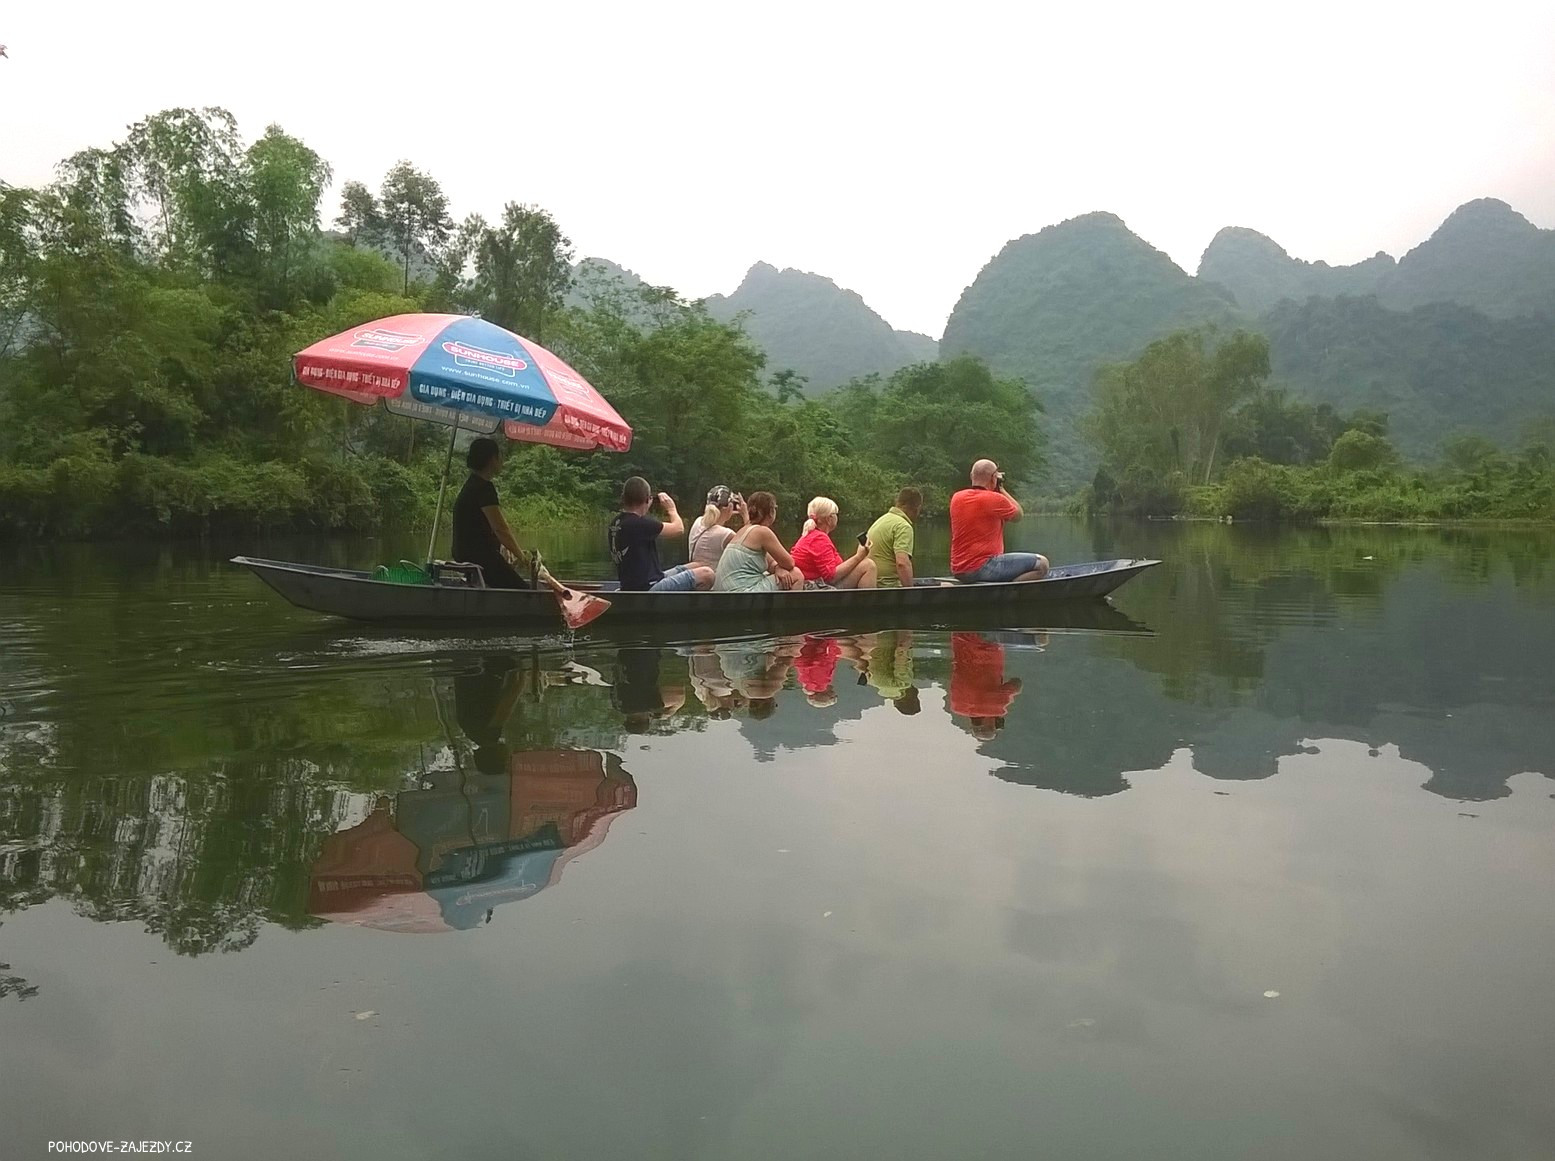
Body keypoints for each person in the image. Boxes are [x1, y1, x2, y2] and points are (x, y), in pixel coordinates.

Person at [451, 438, 534, 589]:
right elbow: (501, 529)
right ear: (492, 459)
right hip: (479, 556)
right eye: (499, 456)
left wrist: (504, 550)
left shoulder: (472, 484)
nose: (501, 460)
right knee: (522, 590)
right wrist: (522, 557)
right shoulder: (484, 488)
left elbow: (482, 526)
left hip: (463, 552)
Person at [949, 459, 1049, 583]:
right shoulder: (996, 499)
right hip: (984, 568)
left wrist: (994, 483)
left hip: (959, 570)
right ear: (993, 478)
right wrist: (1001, 489)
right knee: (1042, 564)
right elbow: (1018, 515)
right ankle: (1011, 591)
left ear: (971, 476)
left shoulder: (957, 498)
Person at [608, 477, 715, 592]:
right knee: (707, 574)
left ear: (624, 498)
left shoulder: (617, 522)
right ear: (647, 500)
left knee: (697, 565)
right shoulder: (639, 524)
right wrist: (671, 509)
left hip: (641, 582)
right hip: (647, 589)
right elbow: (679, 529)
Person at [712, 491, 805, 592]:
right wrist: (781, 567)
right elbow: (790, 563)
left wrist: (778, 568)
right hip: (740, 593)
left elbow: (771, 563)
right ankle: (790, 608)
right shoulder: (763, 532)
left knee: (774, 575)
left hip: (724, 593)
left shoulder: (744, 530)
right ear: (771, 513)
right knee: (796, 574)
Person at [791, 497, 877, 588]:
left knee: (866, 564)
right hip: (815, 588)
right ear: (829, 519)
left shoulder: (811, 534)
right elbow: (831, 577)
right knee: (868, 565)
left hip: (814, 583)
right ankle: (868, 602)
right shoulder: (819, 538)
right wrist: (859, 557)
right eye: (836, 514)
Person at [866, 487, 922, 588]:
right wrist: (911, 592)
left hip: (871, 582)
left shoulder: (882, 520)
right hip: (888, 587)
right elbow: (902, 563)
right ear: (916, 508)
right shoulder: (903, 526)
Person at [687, 485, 743, 568]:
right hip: (714, 580)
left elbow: (713, 532)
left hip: (695, 576)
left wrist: (725, 516)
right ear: (730, 506)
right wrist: (746, 516)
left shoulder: (698, 521)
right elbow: (750, 555)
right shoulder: (726, 534)